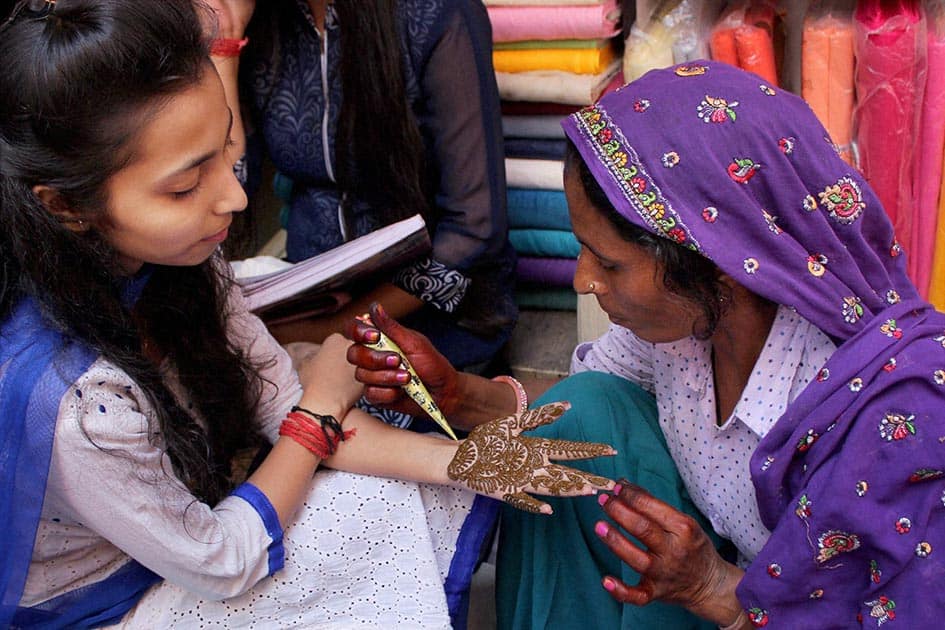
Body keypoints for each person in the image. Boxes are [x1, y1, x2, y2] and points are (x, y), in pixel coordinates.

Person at [0, 2, 616, 627]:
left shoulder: (179, 264)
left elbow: (288, 403)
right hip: (113, 605)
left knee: (398, 489)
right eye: (187, 187)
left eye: (224, 152)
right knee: (367, 513)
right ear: (64, 205)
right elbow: (229, 548)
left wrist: (461, 463)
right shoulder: (77, 400)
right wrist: (319, 407)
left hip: (399, 310)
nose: (237, 198)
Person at [347, 60, 945, 628]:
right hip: (718, 584)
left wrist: (713, 585)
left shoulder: (875, 409)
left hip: (768, 612)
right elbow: (570, 415)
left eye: (607, 261)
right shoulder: (689, 329)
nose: (582, 280)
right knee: (584, 411)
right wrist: (456, 394)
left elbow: (877, 612)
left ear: (718, 263)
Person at [217, 0, 517, 372]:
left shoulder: (437, 13)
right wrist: (225, 48)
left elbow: (475, 232)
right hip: (304, 303)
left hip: (428, 319)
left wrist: (326, 331)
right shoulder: (267, 20)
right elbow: (226, 196)